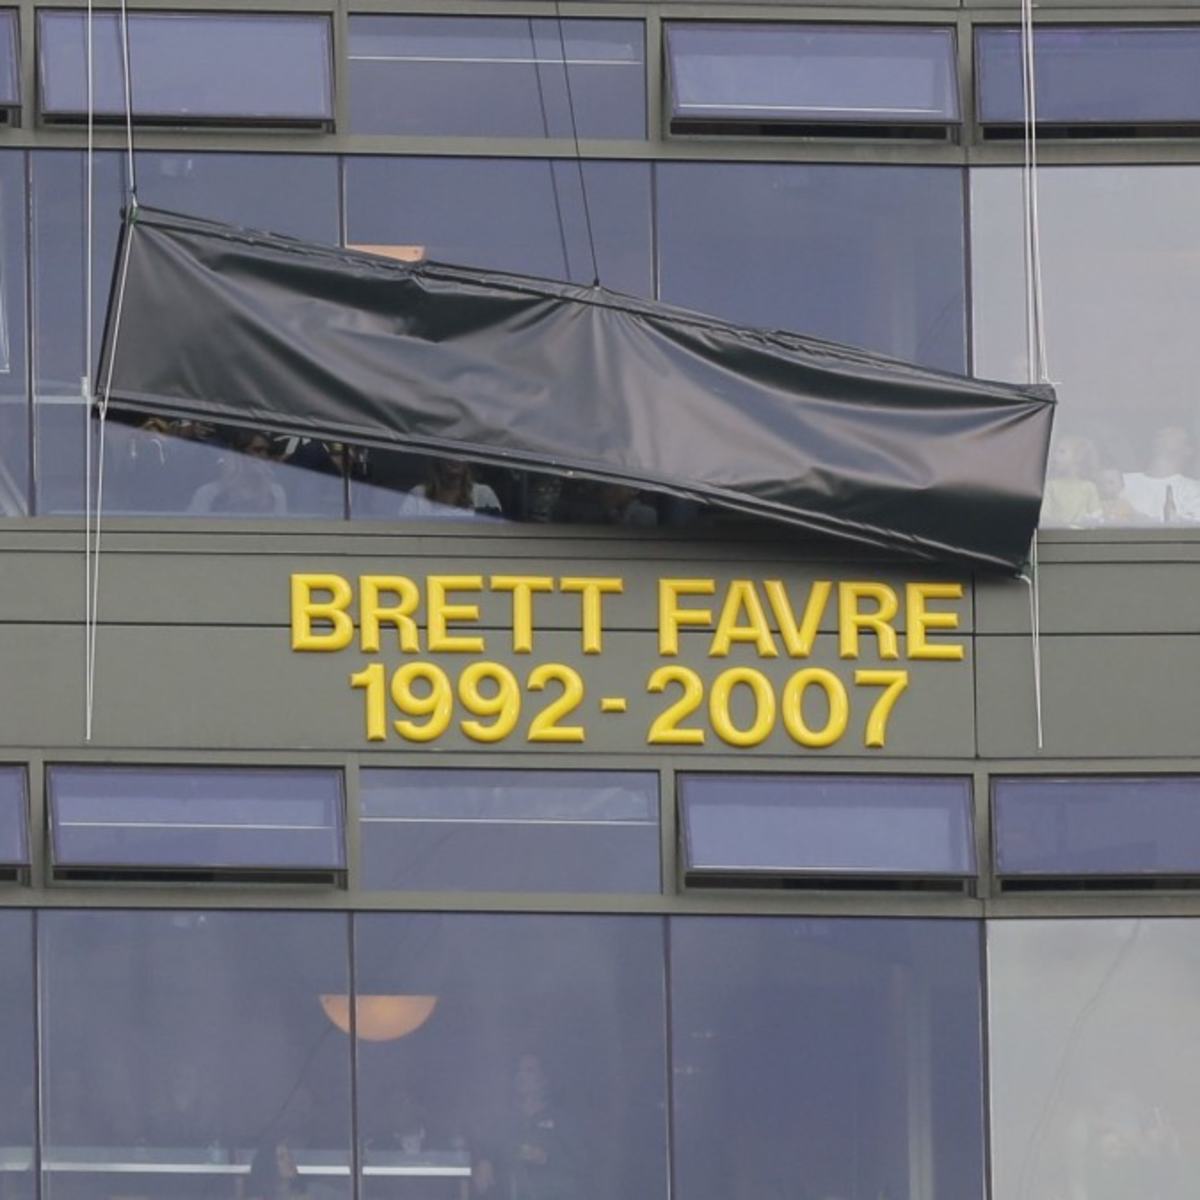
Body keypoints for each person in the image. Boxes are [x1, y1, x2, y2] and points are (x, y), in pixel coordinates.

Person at [472, 1054, 584, 1200]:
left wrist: (546, 1158)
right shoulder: (503, 1118)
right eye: (519, 1071)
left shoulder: (561, 1119)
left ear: (544, 1080)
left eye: (529, 1071)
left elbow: (580, 1162)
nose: (521, 1076)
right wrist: (484, 1160)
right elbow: (487, 1146)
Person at [188, 430, 288, 516]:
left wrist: (264, 487)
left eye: (268, 452)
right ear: (238, 455)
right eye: (257, 450)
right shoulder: (208, 493)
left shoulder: (276, 492)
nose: (264, 456)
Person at [1120, 425, 1200, 524]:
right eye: (1161, 432)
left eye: (1172, 432)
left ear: (1188, 450)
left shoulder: (1194, 490)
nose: (1162, 433)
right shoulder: (1119, 482)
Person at [400, 458, 502, 519]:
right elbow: (403, 534)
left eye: (461, 451)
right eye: (450, 451)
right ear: (438, 457)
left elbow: (498, 536)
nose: (455, 457)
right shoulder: (418, 494)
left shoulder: (484, 494)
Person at [1040, 435, 1101, 527]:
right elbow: (1044, 516)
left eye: (1062, 452)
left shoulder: (1089, 487)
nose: (1054, 456)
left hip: (1081, 538)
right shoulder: (1050, 486)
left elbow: (1096, 515)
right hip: (1057, 536)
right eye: (1055, 452)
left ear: (1078, 457)